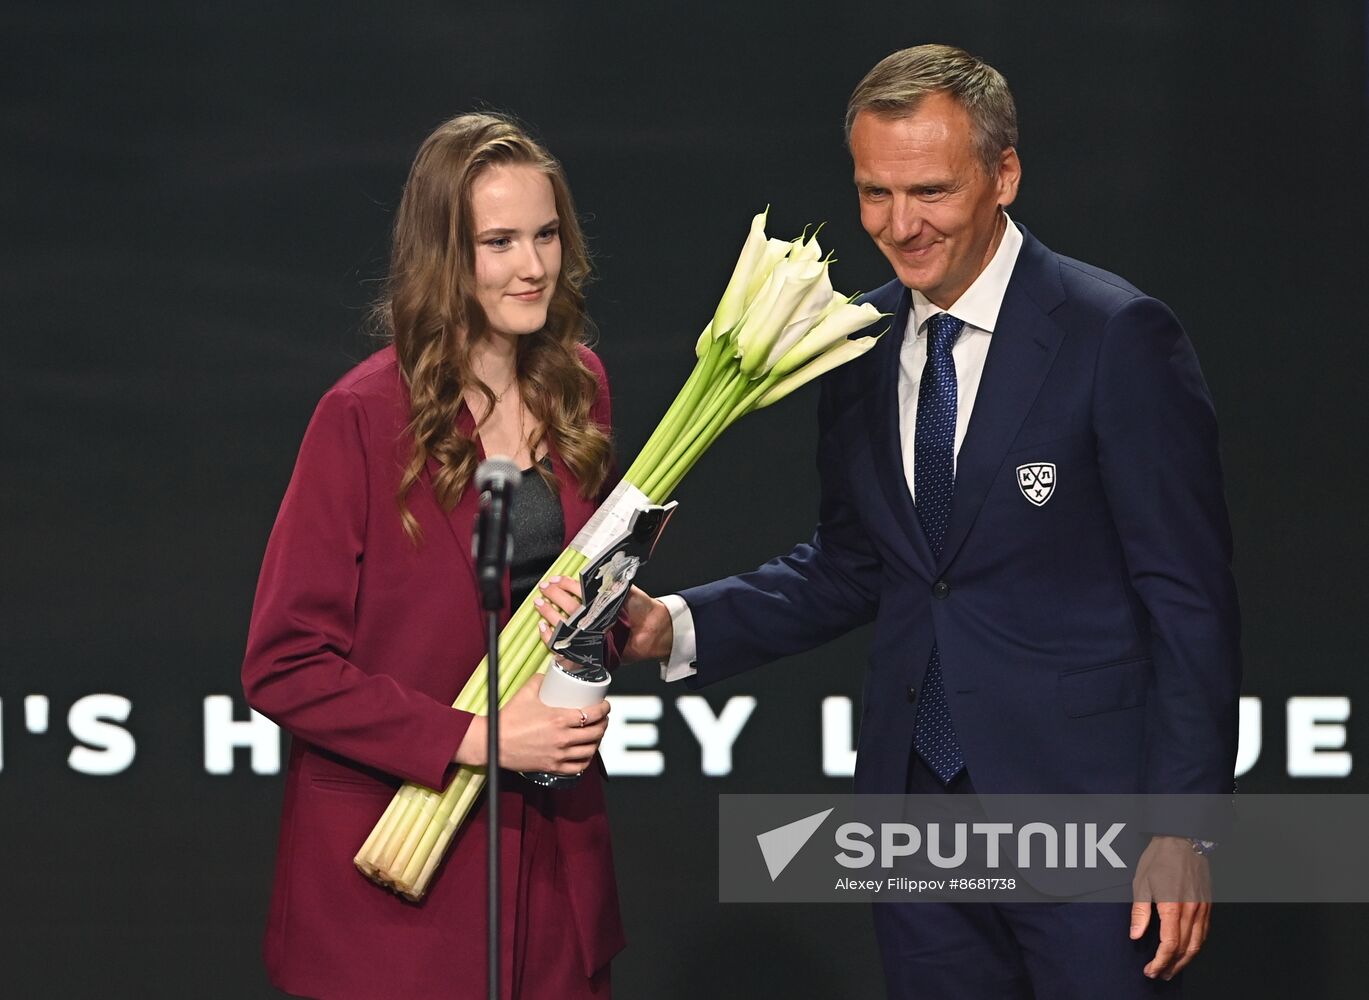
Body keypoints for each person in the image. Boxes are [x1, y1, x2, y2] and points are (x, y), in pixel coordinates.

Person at [539, 44, 1240, 998]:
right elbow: (856, 563)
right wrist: (675, 625)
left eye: (930, 190)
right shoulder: (856, 345)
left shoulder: (1113, 336)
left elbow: (1188, 601)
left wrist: (1183, 827)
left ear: (1005, 174)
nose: (900, 226)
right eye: (875, 193)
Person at [242, 113, 623, 1000]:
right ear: (445, 256)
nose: (532, 266)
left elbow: (560, 602)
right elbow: (284, 665)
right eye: (498, 242)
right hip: (397, 888)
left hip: (553, 866)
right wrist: (480, 738)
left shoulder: (579, 388)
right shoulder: (362, 417)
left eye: (545, 235)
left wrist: (599, 630)